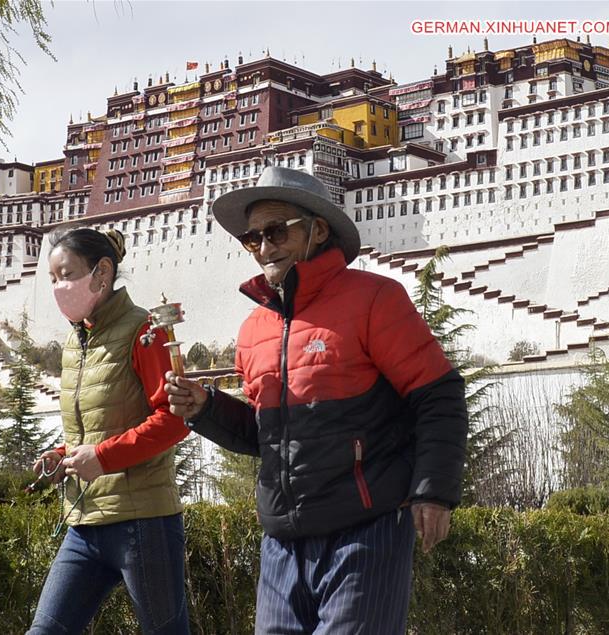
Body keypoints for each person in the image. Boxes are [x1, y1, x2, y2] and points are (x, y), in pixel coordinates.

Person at [165, 166, 468, 634]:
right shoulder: (252, 331)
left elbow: (439, 395)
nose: (264, 247)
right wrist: (205, 408)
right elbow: (262, 437)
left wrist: (434, 491)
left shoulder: (375, 299)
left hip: (368, 533)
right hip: (281, 544)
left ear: (318, 230)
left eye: (276, 231)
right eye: (253, 238)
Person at [26, 227, 191, 635]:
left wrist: (101, 458)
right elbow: (100, 426)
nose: (58, 287)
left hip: (144, 522)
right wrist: (64, 453)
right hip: (83, 523)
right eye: (52, 279)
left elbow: (174, 420)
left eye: (65, 275)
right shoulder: (75, 342)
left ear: (102, 273)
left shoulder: (145, 330)